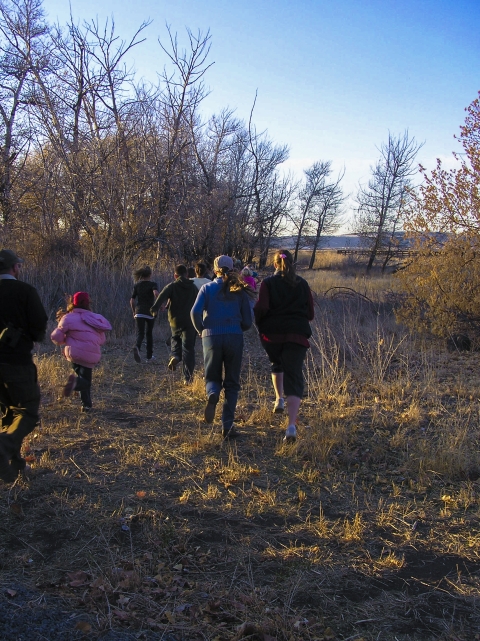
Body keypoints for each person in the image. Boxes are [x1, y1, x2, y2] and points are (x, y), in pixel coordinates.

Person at [254, 249, 314, 443]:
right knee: (294, 376)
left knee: (276, 363)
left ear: (274, 264)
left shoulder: (268, 283)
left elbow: (262, 307)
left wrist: (260, 324)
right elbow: (310, 313)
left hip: (272, 335)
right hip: (297, 335)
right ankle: (291, 426)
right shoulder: (303, 284)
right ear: (292, 263)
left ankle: (279, 399)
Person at [191, 255, 253, 438]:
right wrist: (238, 328)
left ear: (214, 269)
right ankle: (227, 425)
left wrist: (201, 330)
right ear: (232, 269)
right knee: (232, 383)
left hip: (211, 337)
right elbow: (248, 321)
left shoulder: (207, 288)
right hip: (234, 336)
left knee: (212, 375)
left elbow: (194, 312)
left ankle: (212, 393)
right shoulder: (239, 290)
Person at [0, 249, 48, 482]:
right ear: (14, 268)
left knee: (8, 414)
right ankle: (4, 446)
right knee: (27, 411)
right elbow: (39, 325)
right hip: (16, 361)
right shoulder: (25, 291)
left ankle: (15, 464)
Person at [51, 292, 112, 412]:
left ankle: (81, 395)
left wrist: (63, 341)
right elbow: (102, 339)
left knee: (83, 379)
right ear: (88, 303)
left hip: (74, 353)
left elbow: (56, 336)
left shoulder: (68, 317)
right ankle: (86, 404)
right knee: (86, 381)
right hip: (90, 354)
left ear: (73, 303)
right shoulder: (95, 318)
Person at [151, 264, 198, 384]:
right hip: (190, 321)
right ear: (187, 275)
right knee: (188, 349)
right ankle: (187, 378)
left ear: (175, 275)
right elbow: (200, 302)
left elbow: (160, 297)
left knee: (175, 339)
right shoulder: (193, 288)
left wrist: (154, 310)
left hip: (175, 321)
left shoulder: (172, 286)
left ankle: (176, 356)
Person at [130, 266, 159, 363]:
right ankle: (149, 357)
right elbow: (155, 293)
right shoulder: (153, 284)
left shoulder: (137, 285)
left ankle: (137, 347)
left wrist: (134, 311)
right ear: (150, 275)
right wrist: (160, 304)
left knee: (140, 333)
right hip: (149, 312)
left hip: (139, 312)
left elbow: (132, 300)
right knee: (149, 333)